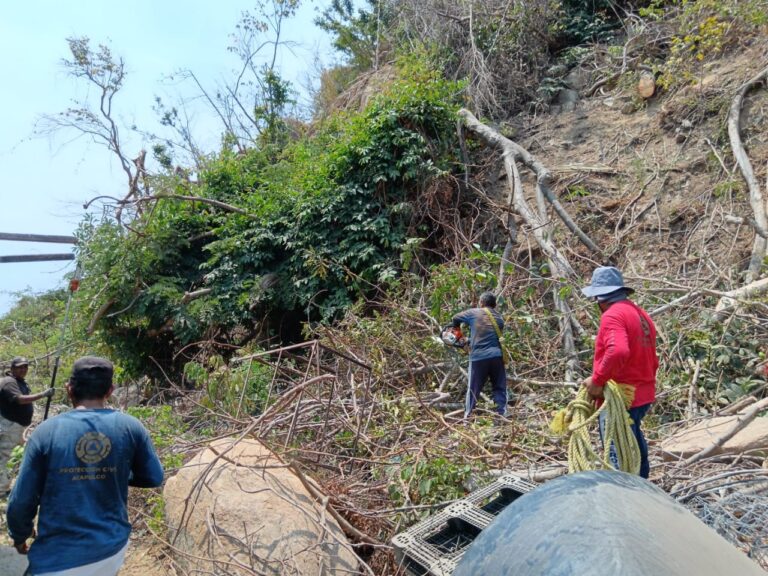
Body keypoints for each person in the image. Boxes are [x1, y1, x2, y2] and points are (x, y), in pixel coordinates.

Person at [6, 356, 164, 576]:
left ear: (69, 389)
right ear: (110, 390)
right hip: (112, 550)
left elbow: (21, 501)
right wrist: (115, 473)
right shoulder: (131, 427)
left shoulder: (46, 432)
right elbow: (154, 477)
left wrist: (19, 535)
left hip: (56, 559)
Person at [581, 266, 658, 479]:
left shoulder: (612, 315)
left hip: (622, 396)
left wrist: (598, 380)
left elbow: (618, 350)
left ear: (599, 298)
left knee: (617, 451)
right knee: (632, 440)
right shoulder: (640, 314)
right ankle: (643, 486)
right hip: (642, 392)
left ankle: (624, 497)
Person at [0, 356, 54, 496]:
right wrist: (43, 394)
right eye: (19, 367)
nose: (23, 369)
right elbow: (19, 400)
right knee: (6, 455)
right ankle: (1, 490)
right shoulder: (8, 382)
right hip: (10, 425)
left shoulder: (20, 382)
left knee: (17, 456)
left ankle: (8, 487)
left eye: (25, 367)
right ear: (12, 369)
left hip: (19, 427)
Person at [452, 292, 508, 418]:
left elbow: (455, 318)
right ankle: (502, 416)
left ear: (481, 302)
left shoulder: (474, 312)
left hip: (478, 357)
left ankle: (468, 416)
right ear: (495, 305)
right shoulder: (499, 318)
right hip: (497, 356)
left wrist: (459, 335)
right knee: (499, 387)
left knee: (473, 389)